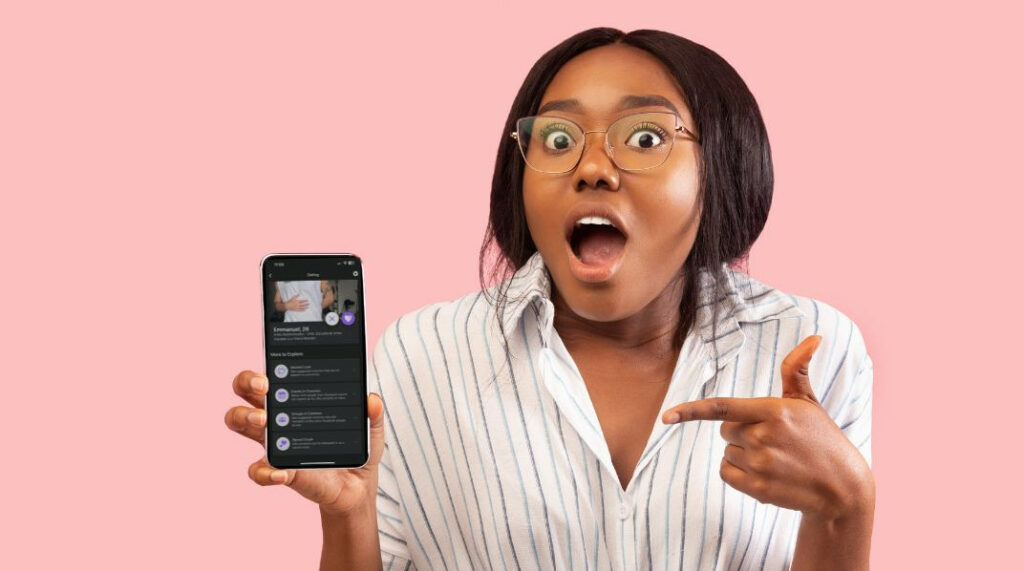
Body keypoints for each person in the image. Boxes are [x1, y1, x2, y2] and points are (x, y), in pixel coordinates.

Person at [226, 27, 874, 570]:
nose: (591, 167)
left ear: (724, 165)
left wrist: (846, 506)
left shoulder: (812, 347)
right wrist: (346, 514)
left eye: (645, 137)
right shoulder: (423, 355)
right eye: (558, 141)